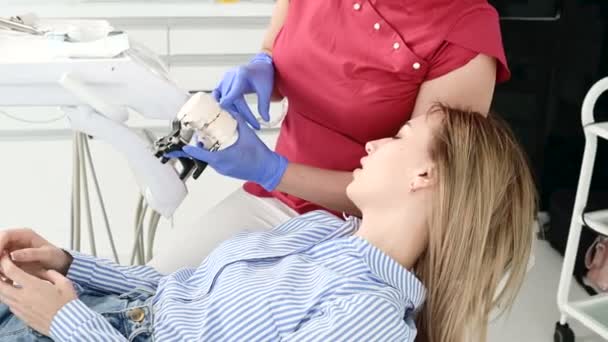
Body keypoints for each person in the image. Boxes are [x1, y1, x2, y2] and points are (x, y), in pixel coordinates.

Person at [0, 106, 534, 342]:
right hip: (101, 315)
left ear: (424, 174)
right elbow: (175, 295)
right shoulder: (324, 232)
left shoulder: (367, 317)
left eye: (397, 137)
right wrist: (71, 265)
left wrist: (66, 322)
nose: (373, 144)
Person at [148, 0, 512, 273]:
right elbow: (275, 50)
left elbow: (424, 196)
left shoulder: (464, 33)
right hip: (271, 199)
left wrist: (272, 169)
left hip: (361, 234)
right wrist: (261, 69)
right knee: (154, 289)